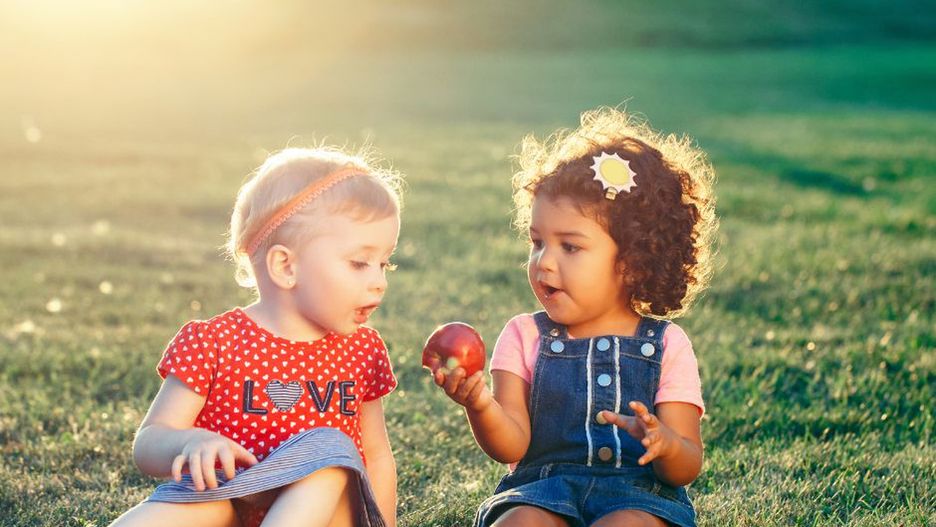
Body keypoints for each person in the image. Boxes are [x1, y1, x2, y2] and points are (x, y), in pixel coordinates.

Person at [429, 107, 718, 527]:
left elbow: (687, 465)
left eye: (570, 247)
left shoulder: (667, 344)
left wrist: (667, 444)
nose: (543, 262)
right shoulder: (524, 335)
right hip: (542, 489)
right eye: (537, 242)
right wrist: (478, 404)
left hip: (640, 495)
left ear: (633, 263)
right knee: (520, 523)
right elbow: (512, 445)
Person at [110, 147, 404, 527]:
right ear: (285, 265)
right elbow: (149, 441)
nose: (379, 282)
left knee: (330, 456)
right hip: (230, 502)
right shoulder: (213, 342)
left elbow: (377, 456)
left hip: (325, 514)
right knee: (190, 505)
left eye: (385, 264)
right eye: (359, 263)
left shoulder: (362, 349)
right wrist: (189, 442)